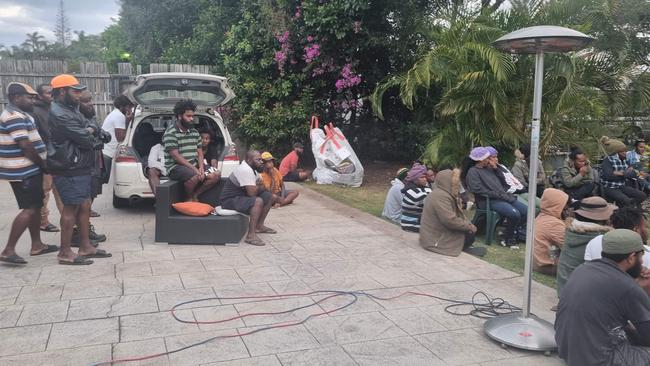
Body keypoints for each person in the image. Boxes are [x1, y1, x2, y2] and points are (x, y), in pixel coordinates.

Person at [555, 229, 650, 366]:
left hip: (567, 349)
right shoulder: (628, 287)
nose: (642, 262)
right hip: (599, 359)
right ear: (631, 257)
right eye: (640, 257)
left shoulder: (583, 269)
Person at [49, 74, 111, 265]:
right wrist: (92, 130)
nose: (79, 95)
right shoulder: (59, 113)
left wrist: (90, 130)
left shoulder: (70, 108)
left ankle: (85, 246)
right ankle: (65, 252)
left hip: (80, 165)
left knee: (84, 206)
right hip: (69, 167)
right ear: (62, 91)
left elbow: (89, 131)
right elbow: (86, 139)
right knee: (71, 209)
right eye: (75, 91)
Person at [0, 82, 58, 264]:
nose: (33, 100)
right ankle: (8, 250)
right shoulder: (13, 116)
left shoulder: (21, 114)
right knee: (30, 208)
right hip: (24, 169)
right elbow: (25, 146)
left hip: (28, 168)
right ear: (16, 98)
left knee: (35, 206)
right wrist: (43, 165)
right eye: (29, 97)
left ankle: (37, 245)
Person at [466, 147, 527, 247]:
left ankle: (507, 232)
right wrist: (496, 194)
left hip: (503, 197)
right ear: (480, 160)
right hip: (488, 201)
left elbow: (504, 182)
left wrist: (496, 170)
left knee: (526, 211)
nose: (489, 160)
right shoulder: (473, 172)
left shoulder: (490, 169)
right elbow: (477, 190)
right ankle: (508, 238)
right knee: (514, 214)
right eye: (487, 158)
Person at [162, 99, 220, 201]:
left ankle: (195, 195)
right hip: (176, 167)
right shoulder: (170, 133)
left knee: (216, 174)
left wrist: (201, 167)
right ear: (179, 116)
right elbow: (176, 157)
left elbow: (200, 152)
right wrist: (196, 171)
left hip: (194, 165)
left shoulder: (194, 132)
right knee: (195, 177)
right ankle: (187, 198)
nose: (191, 119)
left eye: (192, 116)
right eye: (188, 116)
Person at [419, 169, 485, 257]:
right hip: (435, 239)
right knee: (469, 234)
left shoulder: (443, 194)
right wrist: (469, 226)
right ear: (447, 182)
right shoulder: (440, 196)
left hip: (434, 234)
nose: (458, 184)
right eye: (455, 182)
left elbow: (458, 215)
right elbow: (449, 220)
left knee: (468, 232)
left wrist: (468, 224)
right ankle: (458, 245)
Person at [556, 196, 615, 294]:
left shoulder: (570, 229)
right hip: (581, 294)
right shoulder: (601, 237)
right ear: (603, 217)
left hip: (563, 289)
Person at [220, 150, 275, 246]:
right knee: (257, 201)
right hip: (229, 200)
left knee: (269, 196)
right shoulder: (245, 169)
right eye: (258, 160)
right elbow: (252, 194)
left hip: (241, 196)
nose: (261, 162)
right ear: (249, 160)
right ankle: (250, 235)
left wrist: (256, 187)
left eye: (261, 159)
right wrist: (257, 187)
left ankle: (259, 226)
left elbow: (264, 188)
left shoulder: (253, 170)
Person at [30, 83, 63, 233]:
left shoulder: (53, 108)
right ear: (39, 95)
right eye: (48, 93)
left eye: (52, 92)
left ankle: (68, 219)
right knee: (45, 190)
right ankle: (43, 221)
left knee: (61, 189)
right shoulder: (35, 111)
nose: (52, 95)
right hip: (44, 157)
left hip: (58, 156)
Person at [78, 91, 108, 244]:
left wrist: (103, 134)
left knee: (91, 197)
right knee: (83, 202)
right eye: (86, 101)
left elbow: (99, 135)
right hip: (85, 165)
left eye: (90, 100)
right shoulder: (78, 119)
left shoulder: (92, 118)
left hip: (96, 162)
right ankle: (79, 233)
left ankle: (86, 229)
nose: (90, 103)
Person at [585, 207, 650, 265]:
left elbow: (587, 266)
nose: (647, 231)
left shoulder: (595, 241)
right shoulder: (646, 255)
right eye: (646, 227)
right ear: (636, 230)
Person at [600, 136, 647, 207]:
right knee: (627, 201)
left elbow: (633, 173)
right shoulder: (608, 160)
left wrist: (620, 173)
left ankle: (627, 208)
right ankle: (627, 209)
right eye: (623, 151)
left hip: (621, 186)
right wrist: (625, 173)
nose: (626, 153)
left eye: (626, 151)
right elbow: (608, 175)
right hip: (609, 187)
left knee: (642, 196)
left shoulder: (624, 160)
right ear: (617, 152)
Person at [533, 188, 569, 276]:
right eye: (564, 205)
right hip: (547, 266)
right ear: (557, 205)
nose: (567, 208)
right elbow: (569, 246)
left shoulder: (541, 217)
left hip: (535, 263)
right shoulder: (554, 224)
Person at [101, 95, 134, 185]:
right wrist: (127, 121)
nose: (130, 109)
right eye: (129, 107)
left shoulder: (115, 114)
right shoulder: (119, 116)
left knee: (100, 182)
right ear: (122, 106)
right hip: (106, 153)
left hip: (105, 151)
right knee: (101, 182)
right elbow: (121, 138)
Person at [400, 163, 432, 233]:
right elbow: (431, 202)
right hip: (411, 225)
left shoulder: (425, 189)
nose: (425, 179)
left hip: (420, 224)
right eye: (421, 177)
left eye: (425, 177)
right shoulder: (411, 192)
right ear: (414, 179)